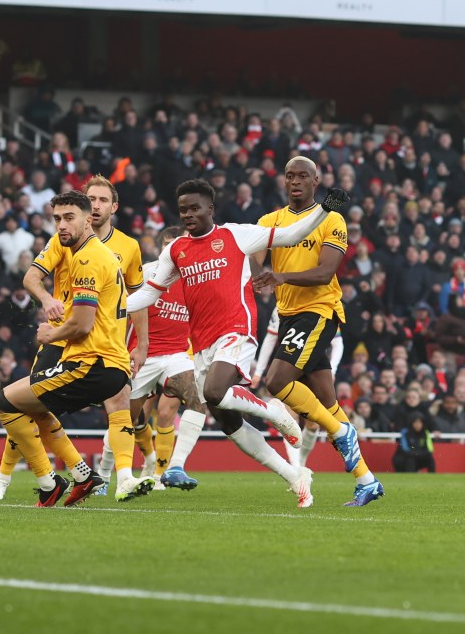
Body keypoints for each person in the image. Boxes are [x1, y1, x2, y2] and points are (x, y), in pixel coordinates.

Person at [127, 178, 351, 508]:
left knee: (215, 393)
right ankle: (294, 476)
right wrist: (113, 304)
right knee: (228, 422)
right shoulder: (175, 250)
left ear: (210, 209)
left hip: (236, 330)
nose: (188, 214)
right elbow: (149, 293)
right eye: (183, 210)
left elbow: (291, 234)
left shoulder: (235, 234)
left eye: (194, 208)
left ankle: (275, 412)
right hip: (202, 343)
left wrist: (324, 211)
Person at [0, 178, 151, 503]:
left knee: (9, 403)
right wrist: (47, 300)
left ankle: (53, 480)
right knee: (34, 404)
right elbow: (31, 277)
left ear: (96, 213)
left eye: (102, 200)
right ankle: (86, 476)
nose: (61, 224)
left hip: (86, 352)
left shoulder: (103, 254)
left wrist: (53, 331)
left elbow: (126, 302)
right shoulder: (69, 246)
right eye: (57, 218)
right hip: (101, 352)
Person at [252, 156, 384, 507]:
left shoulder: (333, 218)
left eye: (302, 176)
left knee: (276, 382)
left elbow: (326, 272)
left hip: (319, 311)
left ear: (316, 180)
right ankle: (366, 480)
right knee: (326, 401)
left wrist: (280, 276)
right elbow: (253, 253)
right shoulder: (272, 221)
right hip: (290, 315)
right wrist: (257, 267)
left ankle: (342, 433)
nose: (294, 181)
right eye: (289, 176)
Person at [98, 225, 207, 493]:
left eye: (177, 244)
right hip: (141, 357)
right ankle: (102, 475)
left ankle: (170, 470)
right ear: (161, 248)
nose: (172, 250)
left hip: (177, 355)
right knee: (126, 419)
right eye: (167, 244)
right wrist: (118, 351)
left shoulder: (195, 279)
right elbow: (122, 311)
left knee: (198, 396)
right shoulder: (146, 273)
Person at [252, 304, 345, 469]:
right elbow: (270, 338)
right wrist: (258, 371)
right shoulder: (280, 308)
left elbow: (338, 343)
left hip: (314, 367)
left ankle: (301, 461)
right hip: (289, 366)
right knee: (290, 417)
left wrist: (333, 368)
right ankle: (296, 467)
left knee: (313, 424)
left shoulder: (321, 305)